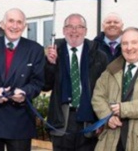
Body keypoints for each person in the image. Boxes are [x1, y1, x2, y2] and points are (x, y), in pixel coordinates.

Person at [0, 8, 45, 151]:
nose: (15, 26)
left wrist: (24, 92)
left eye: (19, 22)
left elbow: (38, 82)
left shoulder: (35, 49)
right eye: (11, 21)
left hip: (20, 121)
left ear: (24, 27)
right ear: (2, 24)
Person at [44, 13, 108, 151]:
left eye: (79, 27)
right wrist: (50, 64)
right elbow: (45, 85)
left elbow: (106, 90)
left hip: (88, 120)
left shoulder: (99, 55)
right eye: (70, 27)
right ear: (63, 30)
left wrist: (101, 120)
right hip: (62, 120)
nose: (74, 31)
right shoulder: (53, 53)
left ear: (85, 31)